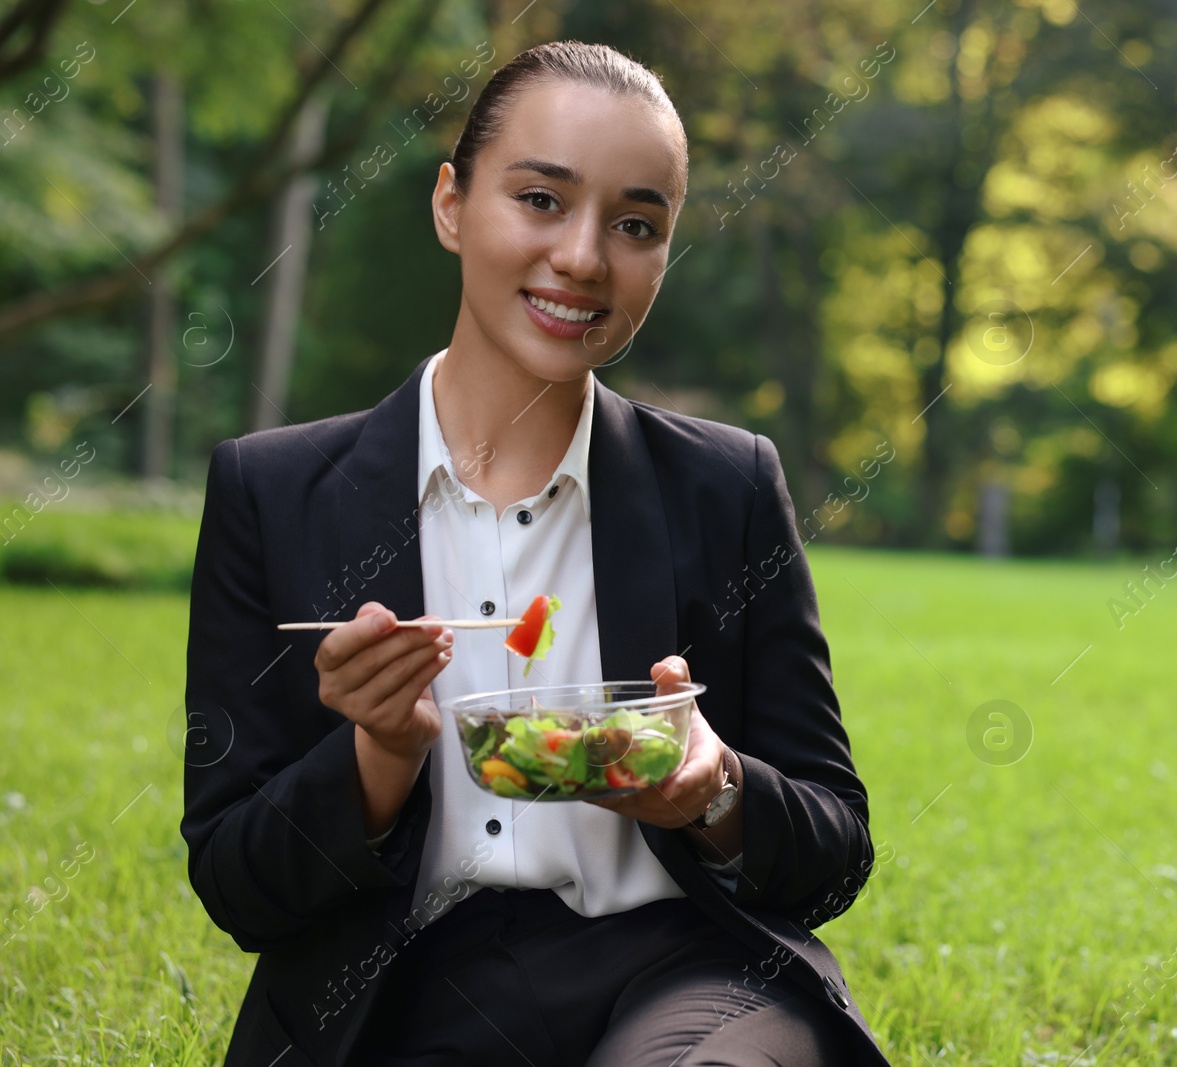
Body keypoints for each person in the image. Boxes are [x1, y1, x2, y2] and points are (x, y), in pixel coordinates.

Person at [181, 40, 891, 1067]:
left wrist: (714, 786)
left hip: (681, 967)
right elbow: (238, 885)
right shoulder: (273, 492)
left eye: (637, 223)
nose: (585, 257)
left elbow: (831, 856)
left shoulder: (726, 485)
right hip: (397, 984)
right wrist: (376, 753)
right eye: (542, 200)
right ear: (450, 206)